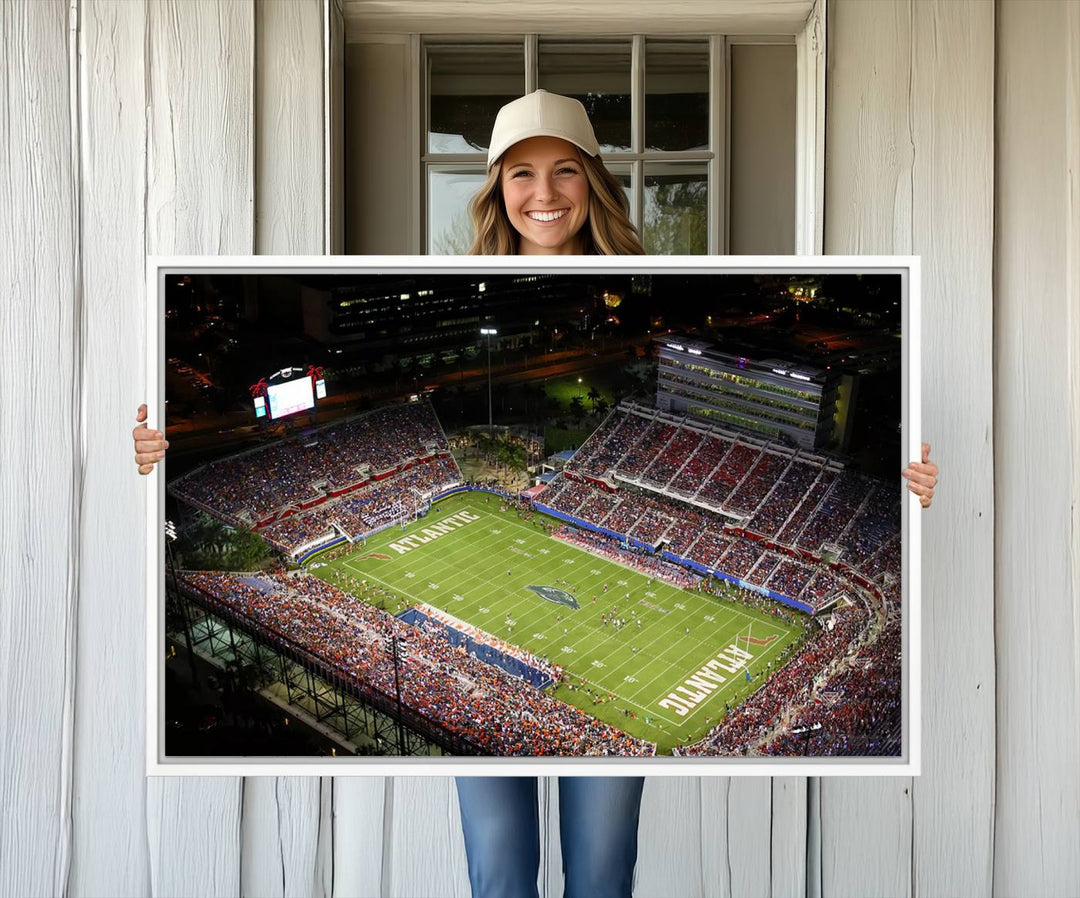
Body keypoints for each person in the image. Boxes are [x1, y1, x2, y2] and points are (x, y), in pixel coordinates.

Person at [131, 89, 940, 898]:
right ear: (495, 188)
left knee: (598, 872)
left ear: (594, 181)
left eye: (564, 172)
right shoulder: (456, 274)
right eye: (521, 173)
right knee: (500, 872)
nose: (544, 193)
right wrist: (154, 452)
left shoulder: (654, 277)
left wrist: (908, 485)